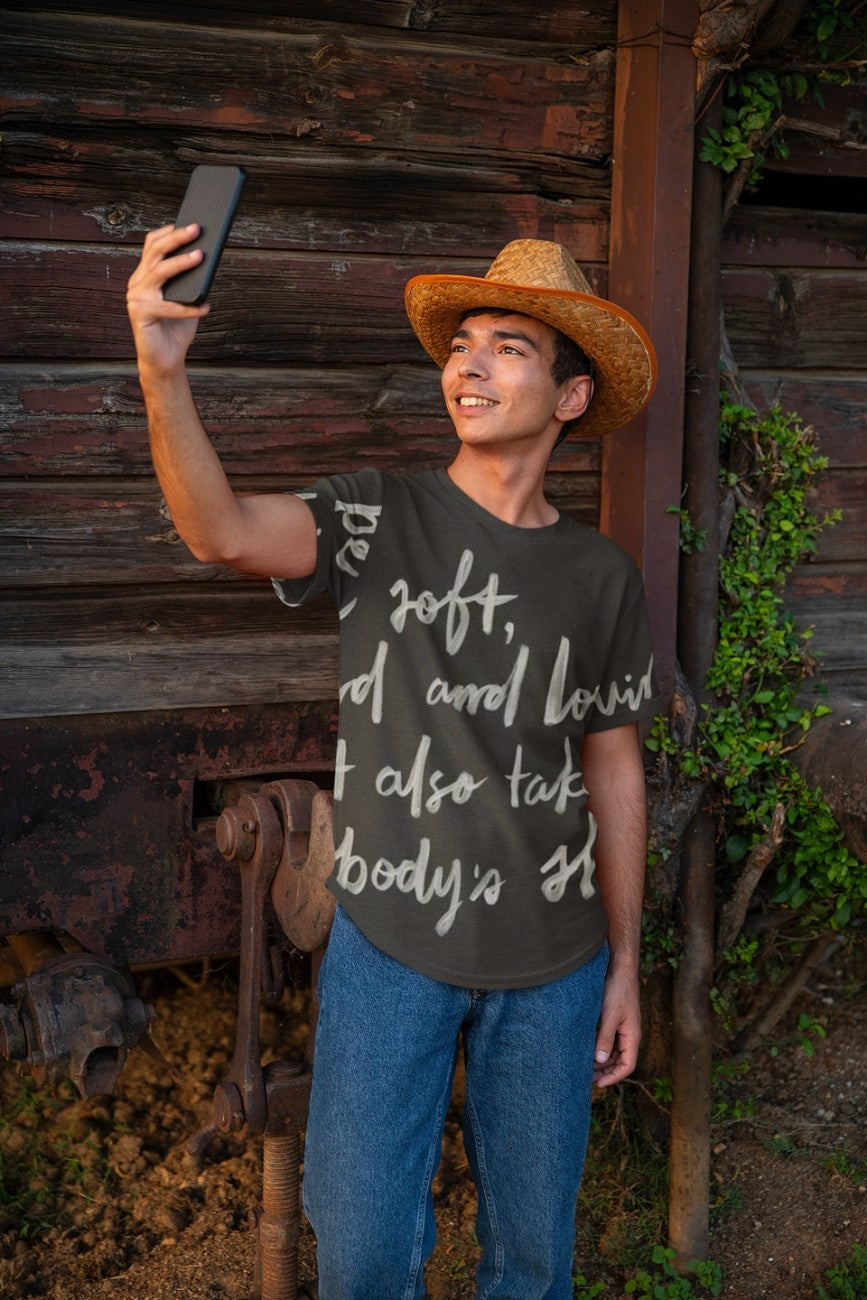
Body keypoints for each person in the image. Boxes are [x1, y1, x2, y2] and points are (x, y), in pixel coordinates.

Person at [127, 228, 661, 1300]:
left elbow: (614, 772)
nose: (468, 362)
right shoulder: (380, 517)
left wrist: (624, 962)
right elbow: (220, 530)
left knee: (532, 1266)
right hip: (390, 949)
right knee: (366, 1258)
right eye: (462, 343)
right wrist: (161, 369)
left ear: (569, 397)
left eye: (509, 346)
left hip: (554, 972)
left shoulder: (600, 574)